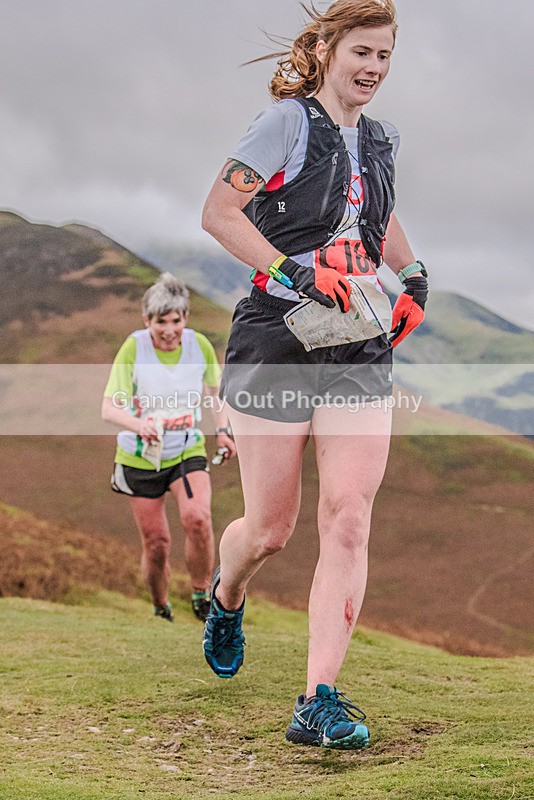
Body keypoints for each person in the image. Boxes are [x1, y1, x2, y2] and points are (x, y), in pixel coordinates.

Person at [201, 0, 428, 749]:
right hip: (277, 338)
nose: (373, 69)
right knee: (270, 529)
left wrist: (413, 275)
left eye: (384, 57)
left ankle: (317, 699)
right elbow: (220, 213)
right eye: (362, 52)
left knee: (349, 516)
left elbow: (376, 215)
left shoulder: (383, 138)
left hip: (358, 344)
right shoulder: (286, 125)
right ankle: (227, 594)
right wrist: (295, 271)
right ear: (328, 48)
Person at [101, 273, 236, 623]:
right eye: (161, 321)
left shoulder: (199, 346)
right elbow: (109, 408)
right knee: (157, 544)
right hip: (139, 455)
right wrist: (139, 424)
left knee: (198, 518)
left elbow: (215, 395)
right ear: (147, 321)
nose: (169, 329)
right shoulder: (134, 347)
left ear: (185, 319)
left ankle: (201, 594)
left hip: (185, 448)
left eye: (176, 320)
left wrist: (223, 431)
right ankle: (161, 607)